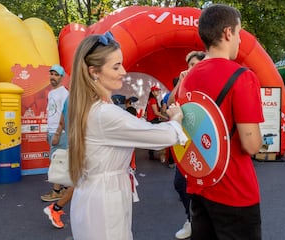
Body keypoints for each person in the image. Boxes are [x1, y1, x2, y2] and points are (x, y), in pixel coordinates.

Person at [67, 32, 187, 240]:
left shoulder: (95, 107)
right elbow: (163, 136)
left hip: (98, 197)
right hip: (103, 203)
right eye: (115, 67)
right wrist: (176, 119)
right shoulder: (104, 113)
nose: (123, 71)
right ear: (93, 71)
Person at [178, 4, 264, 240]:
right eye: (239, 33)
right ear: (227, 33)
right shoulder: (242, 77)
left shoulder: (187, 79)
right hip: (236, 191)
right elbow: (251, 145)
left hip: (200, 186)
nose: (239, 40)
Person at [171, 51, 205, 239]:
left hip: (205, 144)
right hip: (185, 143)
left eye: (194, 64)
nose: (189, 68)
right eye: (189, 65)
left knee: (203, 189)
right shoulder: (184, 84)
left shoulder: (207, 84)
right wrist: (180, 84)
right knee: (180, 183)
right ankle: (191, 220)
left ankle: (200, 222)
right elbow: (168, 103)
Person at [43, 97, 74, 229]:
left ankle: (56, 207)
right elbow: (62, 120)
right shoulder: (74, 98)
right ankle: (55, 208)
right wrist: (57, 134)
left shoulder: (69, 98)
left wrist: (57, 134)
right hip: (81, 146)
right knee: (81, 183)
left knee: (80, 183)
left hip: (80, 146)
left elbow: (62, 121)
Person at [41, 64, 69, 202]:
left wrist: (57, 133)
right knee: (58, 161)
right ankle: (63, 188)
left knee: (57, 162)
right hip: (52, 131)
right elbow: (51, 114)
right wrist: (48, 131)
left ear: (62, 77)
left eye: (56, 74)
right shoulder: (51, 93)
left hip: (61, 133)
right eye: (51, 74)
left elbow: (64, 115)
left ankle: (56, 191)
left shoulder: (64, 93)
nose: (53, 77)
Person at [145, 85, 169, 160]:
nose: (158, 91)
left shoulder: (151, 99)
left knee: (153, 138)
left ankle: (152, 154)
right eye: (156, 90)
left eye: (158, 90)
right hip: (153, 121)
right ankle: (161, 154)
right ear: (152, 92)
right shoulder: (152, 100)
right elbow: (156, 112)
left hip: (151, 120)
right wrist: (166, 118)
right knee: (160, 136)